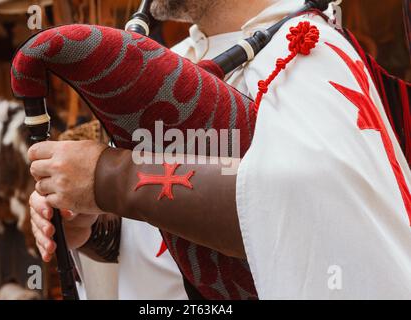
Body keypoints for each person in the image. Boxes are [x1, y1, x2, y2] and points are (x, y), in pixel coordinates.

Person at [29, 0, 411, 299]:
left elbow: (307, 211)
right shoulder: (170, 60)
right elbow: (162, 249)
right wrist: (93, 226)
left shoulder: (309, 51)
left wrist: (109, 178)